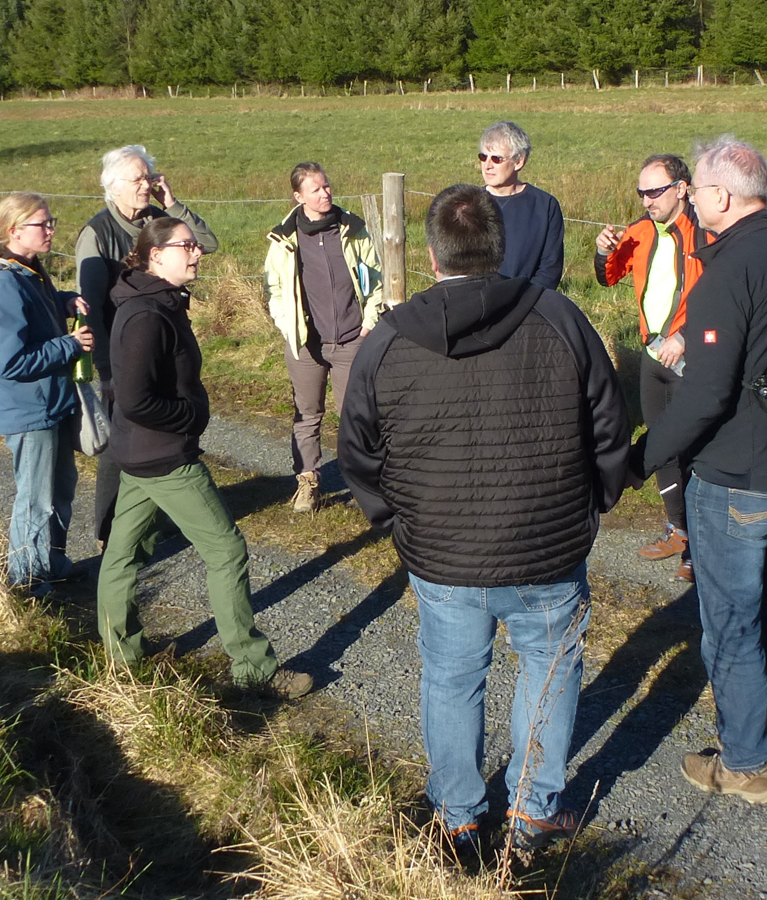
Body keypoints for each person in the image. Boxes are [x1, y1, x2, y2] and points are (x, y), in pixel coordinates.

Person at [338, 184, 629, 854]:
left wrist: (395, 522)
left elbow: (356, 450)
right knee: (547, 670)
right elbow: (610, 428)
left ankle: (461, 814)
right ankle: (530, 810)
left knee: (452, 675)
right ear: (499, 246)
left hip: (446, 555)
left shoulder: (387, 340)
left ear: (433, 255)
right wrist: (596, 502)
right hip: (544, 548)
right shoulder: (560, 317)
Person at [629, 137, 767, 804]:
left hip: (736, 480)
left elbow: (703, 396)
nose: (691, 202)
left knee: (731, 619)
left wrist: (643, 458)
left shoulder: (728, 270)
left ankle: (747, 763)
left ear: (721, 197)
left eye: (695, 190)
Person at [97, 217, 311, 700]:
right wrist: (190, 416)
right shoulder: (146, 315)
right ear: (155, 255)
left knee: (122, 556)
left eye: (196, 246)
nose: (196, 253)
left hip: (139, 456)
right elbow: (134, 400)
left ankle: (119, 660)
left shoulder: (155, 303)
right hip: (164, 457)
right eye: (186, 246)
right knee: (226, 551)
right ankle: (253, 668)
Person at [75, 145, 219, 548]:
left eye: (149, 177)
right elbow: (91, 305)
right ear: (113, 187)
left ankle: (158, 515)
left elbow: (207, 242)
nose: (146, 185)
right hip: (121, 348)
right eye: (138, 179)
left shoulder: (158, 221)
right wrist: (105, 366)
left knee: (158, 429)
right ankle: (108, 530)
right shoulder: (97, 233)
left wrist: (171, 202)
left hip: (164, 337)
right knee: (120, 439)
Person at [0, 192, 95, 593]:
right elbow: (9, 361)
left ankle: (51, 563)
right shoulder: (1, 281)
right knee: (36, 498)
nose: (52, 230)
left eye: (51, 221)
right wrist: (71, 346)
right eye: (43, 224)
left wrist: (61, 301)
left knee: (60, 489)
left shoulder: (28, 270)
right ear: (14, 230)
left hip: (50, 402)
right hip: (27, 408)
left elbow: (32, 313)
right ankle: (26, 580)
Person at [594, 154, 711, 583]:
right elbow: (608, 277)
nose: (646, 200)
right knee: (661, 445)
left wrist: (689, 337)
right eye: (641, 192)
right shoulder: (641, 231)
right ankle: (678, 529)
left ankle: (699, 548)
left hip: (691, 357)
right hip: (652, 356)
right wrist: (602, 249)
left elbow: (725, 296)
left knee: (695, 449)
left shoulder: (706, 232)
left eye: (655, 191)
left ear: (682, 188)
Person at [263, 162, 384, 513]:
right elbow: (274, 288)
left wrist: (369, 322)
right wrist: (289, 328)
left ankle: (365, 487)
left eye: (327, 186)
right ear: (298, 196)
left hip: (351, 338)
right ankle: (307, 482)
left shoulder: (353, 228)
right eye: (315, 189)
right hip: (306, 344)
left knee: (356, 417)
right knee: (307, 414)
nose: (325, 193)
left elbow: (374, 278)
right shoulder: (284, 239)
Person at [479, 120, 564, 290]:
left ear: (519, 162)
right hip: (477, 305)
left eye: (496, 159)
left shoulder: (545, 206)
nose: (487, 165)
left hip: (527, 306)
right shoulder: (468, 204)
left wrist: (523, 305)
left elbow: (550, 269)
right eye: (483, 157)